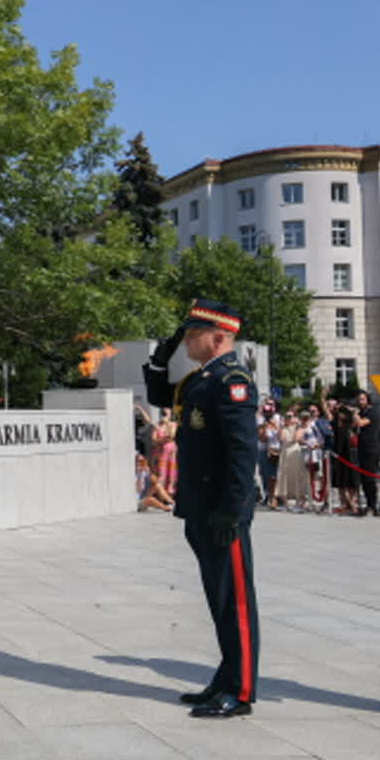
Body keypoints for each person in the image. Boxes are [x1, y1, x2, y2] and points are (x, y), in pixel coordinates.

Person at [143, 299, 260, 718]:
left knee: (235, 602)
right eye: (186, 334)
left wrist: (232, 508)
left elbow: (243, 453)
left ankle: (241, 690)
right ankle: (226, 677)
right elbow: (159, 395)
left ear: (219, 336)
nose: (188, 341)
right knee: (218, 597)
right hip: (201, 507)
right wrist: (159, 359)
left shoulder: (231, 379)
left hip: (221, 510)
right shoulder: (200, 378)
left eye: (194, 335)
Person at [355, 392, 380, 515]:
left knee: (369, 478)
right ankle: (368, 504)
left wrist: (354, 414)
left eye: (362, 399)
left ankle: (373, 506)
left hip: (372, 449)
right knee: (364, 480)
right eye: (358, 399)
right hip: (362, 448)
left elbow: (361, 423)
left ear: (368, 400)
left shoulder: (373, 411)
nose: (359, 401)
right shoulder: (361, 412)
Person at [274, 411, 308, 511]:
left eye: (290, 416)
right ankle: (286, 503)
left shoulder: (299, 427)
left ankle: (298, 501)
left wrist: (296, 426)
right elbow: (280, 438)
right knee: (283, 475)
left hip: (295, 452)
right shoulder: (283, 428)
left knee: (297, 475)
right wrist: (281, 426)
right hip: (285, 452)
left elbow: (295, 439)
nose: (288, 418)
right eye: (287, 416)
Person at [153, 411, 179, 496]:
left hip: (171, 453)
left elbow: (171, 435)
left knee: (171, 474)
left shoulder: (173, 424)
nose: (164, 416)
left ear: (170, 415)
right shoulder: (157, 426)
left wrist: (167, 423)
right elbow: (154, 440)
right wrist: (164, 440)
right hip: (161, 454)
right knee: (161, 474)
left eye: (166, 414)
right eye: (163, 414)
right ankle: (162, 496)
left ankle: (170, 495)